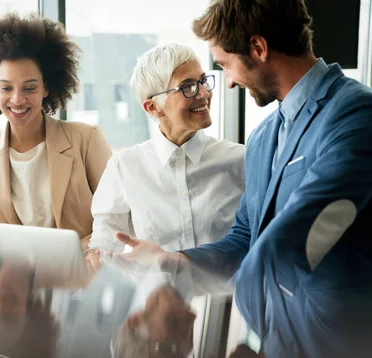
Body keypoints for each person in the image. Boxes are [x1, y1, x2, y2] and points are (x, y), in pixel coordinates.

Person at [105, 1, 372, 357]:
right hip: (281, 341)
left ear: (259, 49)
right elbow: (245, 237)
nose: (226, 83)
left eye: (225, 65)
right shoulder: (263, 139)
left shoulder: (355, 113)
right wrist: (176, 261)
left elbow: (304, 231)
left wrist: (243, 330)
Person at [86, 44, 245, 271]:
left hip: (225, 302)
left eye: (202, 81)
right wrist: (96, 258)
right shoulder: (125, 168)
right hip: (157, 303)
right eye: (187, 86)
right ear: (152, 108)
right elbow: (104, 246)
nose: (203, 93)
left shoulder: (240, 160)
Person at [0, 13, 112, 252]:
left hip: (82, 278)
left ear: (46, 88)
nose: (17, 99)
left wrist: (81, 253)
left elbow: (115, 218)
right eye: (6, 88)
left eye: (29, 87)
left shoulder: (86, 140)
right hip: (20, 283)